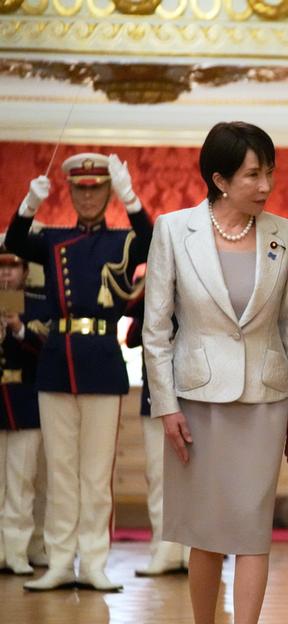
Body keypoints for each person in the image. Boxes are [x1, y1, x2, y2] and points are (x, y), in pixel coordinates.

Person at [143, 121, 288, 624]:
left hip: (265, 397)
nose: (265, 186)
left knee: (254, 528)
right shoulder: (173, 230)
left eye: (269, 173)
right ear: (219, 179)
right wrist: (166, 406)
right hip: (197, 401)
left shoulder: (285, 232)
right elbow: (156, 331)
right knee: (207, 532)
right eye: (253, 175)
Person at [9, 152, 152, 592]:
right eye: (80, 189)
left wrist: (131, 198)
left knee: (94, 474)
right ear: (70, 191)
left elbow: (151, 241)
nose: (88, 196)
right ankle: (57, 561)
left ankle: (93, 562)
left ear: (106, 192)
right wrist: (29, 204)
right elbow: (14, 240)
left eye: (96, 189)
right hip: (56, 361)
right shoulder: (52, 238)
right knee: (61, 471)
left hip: (101, 362)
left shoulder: (122, 242)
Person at [123, 290, 189, 576]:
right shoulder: (152, 287)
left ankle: (194, 551)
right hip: (157, 394)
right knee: (158, 474)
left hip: (197, 390)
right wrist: (155, 280)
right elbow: (132, 334)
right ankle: (164, 549)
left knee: (198, 477)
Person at [0, 239, 47, 576]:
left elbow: (45, 350)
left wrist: (17, 327)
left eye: (12, 267)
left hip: (25, 403)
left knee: (21, 481)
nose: (6, 274)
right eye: (1, 268)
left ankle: (17, 550)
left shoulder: (37, 304)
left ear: (25, 271)